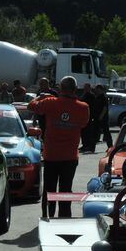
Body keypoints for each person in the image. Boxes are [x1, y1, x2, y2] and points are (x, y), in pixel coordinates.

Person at [29, 75, 90, 219]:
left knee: (49, 190)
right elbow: (83, 124)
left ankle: (47, 216)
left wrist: (41, 97)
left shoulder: (50, 102)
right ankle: (64, 218)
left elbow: (31, 106)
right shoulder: (83, 107)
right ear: (75, 89)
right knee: (65, 190)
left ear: (60, 89)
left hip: (51, 156)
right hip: (70, 157)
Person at [92, 84, 112, 150]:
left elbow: (105, 108)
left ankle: (110, 147)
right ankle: (92, 147)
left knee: (106, 132)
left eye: (97, 89)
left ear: (100, 89)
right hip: (96, 117)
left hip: (103, 118)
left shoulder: (104, 97)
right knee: (95, 132)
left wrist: (101, 116)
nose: (95, 90)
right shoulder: (97, 96)